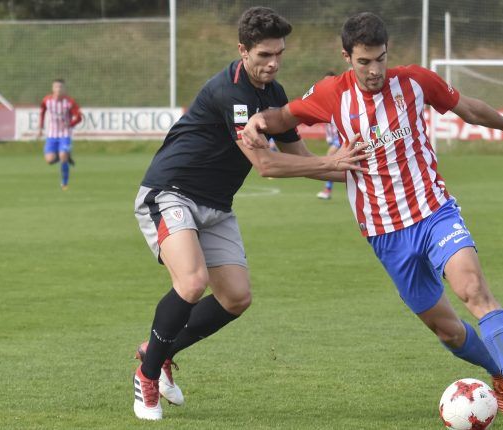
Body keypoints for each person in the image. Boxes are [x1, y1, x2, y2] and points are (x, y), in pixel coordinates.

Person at [242, 12, 503, 423]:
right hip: (384, 234)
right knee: (448, 331)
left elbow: (468, 108)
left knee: (472, 289)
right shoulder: (332, 93)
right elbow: (283, 118)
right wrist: (260, 120)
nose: (374, 70)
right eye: (364, 62)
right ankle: (498, 375)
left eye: (380, 59)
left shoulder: (416, 81)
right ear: (346, 56)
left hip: (433, 212)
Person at [131, 7, 366, 421]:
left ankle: (160, 351)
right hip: (171, 192)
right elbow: (268, 165)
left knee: (236, 297)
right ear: (242, 51)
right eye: (263, 55)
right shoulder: (231, 93)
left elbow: (300, 158)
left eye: (278, 54)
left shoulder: (274, 95)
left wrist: (357, 174)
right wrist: (333, 165)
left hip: (217, 205)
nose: (272, 63)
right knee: (192, 282)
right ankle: (147, 379)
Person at [37, 79, 82, 190]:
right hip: (52, 135)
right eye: (56, 87)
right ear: (53, 88)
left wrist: (70, 124)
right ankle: (66, 156)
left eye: (60, 87)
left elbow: (79, 117)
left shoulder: (69, 102)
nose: (58, 89)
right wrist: (41, 127)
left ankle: (64, 183)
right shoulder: (47, 100)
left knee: (63, 156)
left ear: (64, 89)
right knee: (49, 160)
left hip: (64, 134)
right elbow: (42, 112)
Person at [316, 71, 342, 200]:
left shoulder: (342, 97)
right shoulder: (322, 98)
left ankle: (327, 190)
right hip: (333, 139)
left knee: (330, 156)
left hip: (342, 138)